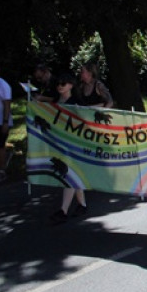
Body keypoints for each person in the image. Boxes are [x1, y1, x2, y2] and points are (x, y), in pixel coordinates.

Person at [48, 73, 88, 224]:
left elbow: (85, 120)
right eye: (58, 83)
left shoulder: (76, 102)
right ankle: (82, 205)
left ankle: (63, 211)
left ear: (71, 85)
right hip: (60, 141)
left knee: (69, 174)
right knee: (74, 174)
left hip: (75, 143)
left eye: (63, 83)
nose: (60, 85)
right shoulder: (56, 101)